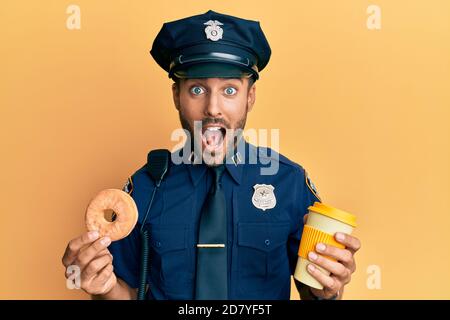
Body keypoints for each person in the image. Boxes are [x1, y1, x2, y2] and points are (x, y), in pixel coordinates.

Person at [62, 10, 361, 300]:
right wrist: (101, 287)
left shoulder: (290, 183)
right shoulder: (143, 189)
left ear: (250, 97)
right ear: (176, 96)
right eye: (197, 90)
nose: (213, 109)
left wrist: (328, 290)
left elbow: (314, 291)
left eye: (229, 91)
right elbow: (124, 293)